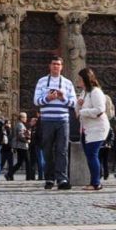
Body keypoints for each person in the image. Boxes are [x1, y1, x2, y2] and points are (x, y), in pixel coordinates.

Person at [33, 54, 77, 190]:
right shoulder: (41, 81)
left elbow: (73, 103)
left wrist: (63, 98)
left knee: (62, 150)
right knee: (47, 150)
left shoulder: (68, 83)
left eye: (58, 64)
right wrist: (48, 98)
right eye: (53, 64)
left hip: (63, 120)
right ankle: (49, 178)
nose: (56, 66)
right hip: (47, 120)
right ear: (49, 66)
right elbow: (36, 101)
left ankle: (62, 178)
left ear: (62, 67)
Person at [75, 67, 110, 191]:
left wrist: (83, 111)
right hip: (86, 128)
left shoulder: (96, 92)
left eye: (80, 78)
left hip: (97, 128)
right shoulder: (84, 93)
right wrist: (78, 105)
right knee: (90, 155)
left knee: (92, 154)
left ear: (86, 79)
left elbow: (100, 109)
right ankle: (93, 181)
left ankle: (96, 183)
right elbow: (77, 112)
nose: (78, 80)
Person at [9, 111, 30, 181]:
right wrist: (27, 140)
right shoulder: (20, 125)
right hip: (22, 146)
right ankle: (28, 177)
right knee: (27, 161)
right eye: (25, 117)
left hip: (19, 145)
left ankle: (9, 174)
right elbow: (21, 135)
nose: (26, 118)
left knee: (20, 162)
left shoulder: (19, 124)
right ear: (21, 118)